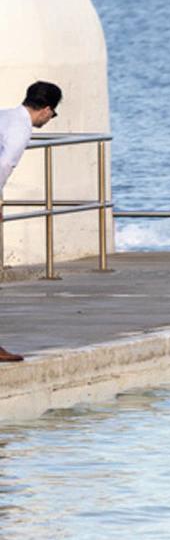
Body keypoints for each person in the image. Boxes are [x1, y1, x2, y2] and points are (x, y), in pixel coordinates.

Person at [0, 81, 62, 363]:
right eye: (53, 114)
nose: (49, 119)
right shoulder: (21, 127)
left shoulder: (5, 116)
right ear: (47, 110)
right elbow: (5, 164)